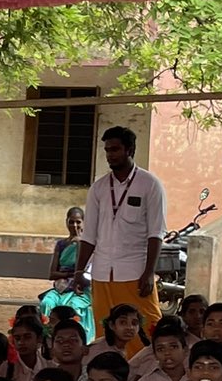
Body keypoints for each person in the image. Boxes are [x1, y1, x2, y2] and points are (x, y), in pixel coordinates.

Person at [70, 127, 162, 351]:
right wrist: (79, 271)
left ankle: (145, 379)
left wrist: (149, 272)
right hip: (101, 274)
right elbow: (89, 234)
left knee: (147, 329)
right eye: (107, 150)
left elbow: (156, 233)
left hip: (135, 271)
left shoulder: (150, 184)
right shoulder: (99, 188)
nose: (110, 154)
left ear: (130, 149)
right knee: (106, 332)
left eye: (115, 149)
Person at [40, 206, 94, 337]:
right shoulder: (61, 245)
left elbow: (88, 271)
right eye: (71, 222)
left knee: (73, 307)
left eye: (78, 222)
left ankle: (76, 337)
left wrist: (80, 244)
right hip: (60, 288)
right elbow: (52, 274)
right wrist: (71, 274)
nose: (74, 225)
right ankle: (49, 337)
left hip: (81, 289)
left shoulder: (89, 245)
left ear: (84, 223)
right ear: (66, 222)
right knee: (47, 303)